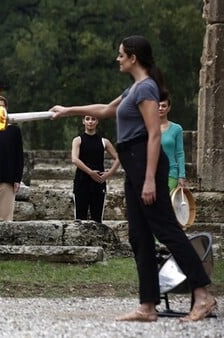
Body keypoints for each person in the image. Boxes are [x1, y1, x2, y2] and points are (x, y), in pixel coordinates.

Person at [50, 35, 216, 322]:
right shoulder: (134, 89)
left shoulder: (147, 88)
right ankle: (147, 306)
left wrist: (150, 179)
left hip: (144, 163)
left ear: (133, 58)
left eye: (120, 54)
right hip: (133, 164)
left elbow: (153, 134)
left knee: (166, 229)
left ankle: (203, 296)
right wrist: (68, 111)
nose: (118, 59)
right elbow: (104, 110)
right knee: (139, 236)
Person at [71, 115, 120, 223]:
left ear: (97, 121)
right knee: (79, 218)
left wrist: (109, 173)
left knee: (97, 219)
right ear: (83, 121)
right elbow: (74, 159)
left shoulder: (104, 142)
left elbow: (118, 158)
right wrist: (90, 172)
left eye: (93, 119)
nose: (90, 122)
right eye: (87, 119)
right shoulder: (78, 140)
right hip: (81, 181)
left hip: (98, 181)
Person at [158, 92, 185, 192]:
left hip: (171, 173)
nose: (160, 108)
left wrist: (181, 176)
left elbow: (180, 153)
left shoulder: (176, 129)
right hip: (152, 174)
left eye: (164, 106)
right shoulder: (147, 128)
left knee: (166, 202)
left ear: (169, 108)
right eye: (158, 105)